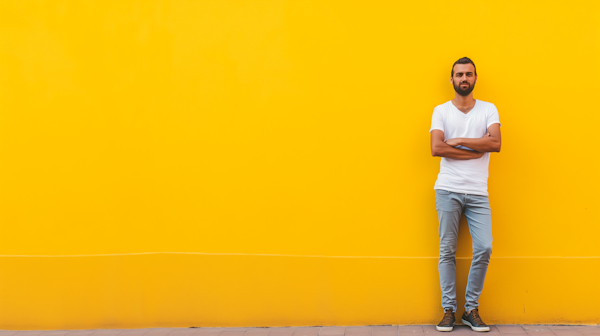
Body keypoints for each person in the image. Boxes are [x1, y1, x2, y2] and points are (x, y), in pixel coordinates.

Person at [429, 57, 501, 332]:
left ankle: (470, 309)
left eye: (468, 74)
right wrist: (476, 150)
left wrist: (458, 140)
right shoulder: (441, 111)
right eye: (459, 74)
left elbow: (495, 143)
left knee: (484, 247)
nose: (464, 78)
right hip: (447, 189)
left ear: (475, 78)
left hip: (478, 192)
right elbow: (436, 148)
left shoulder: (488, 109)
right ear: (452, 79)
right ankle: (449, 310)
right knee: (446, 250)